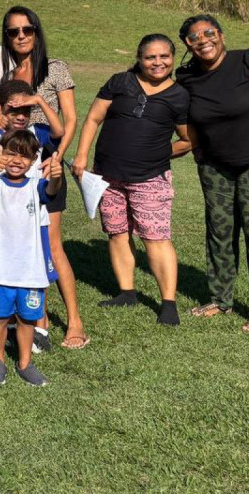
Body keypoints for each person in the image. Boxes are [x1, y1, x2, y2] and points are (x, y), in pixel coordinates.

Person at [175, 15, 249, 333]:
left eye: (209, 33)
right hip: (215, 167)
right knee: (219, 233)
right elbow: (188, 119)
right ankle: (220, 299)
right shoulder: (185, 76)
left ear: (221, 35)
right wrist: (197, 151)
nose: (203, 40)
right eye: (194, 37)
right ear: (187, 44)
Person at [72, 34, 193, 326]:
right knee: (116, 232)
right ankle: (127, 291)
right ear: (139, 58)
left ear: (173, 58)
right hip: (107, 175)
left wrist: (157, 154)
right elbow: (93, 119)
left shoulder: (179, 96)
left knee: (156, 239)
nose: (157, 62)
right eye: (150, 57)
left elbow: (188, 140)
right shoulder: (120, 82)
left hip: (150, 178)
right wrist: (82, 155)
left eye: (164, 56)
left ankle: (168, 303)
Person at [0, 6, 88, 349]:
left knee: (52, 245)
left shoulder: (55, 69)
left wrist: (57, 158)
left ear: (37, 32)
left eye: (27, 29)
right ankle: (40, 318)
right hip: (18, 173)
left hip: (48, 167)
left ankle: (75, 322)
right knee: (25, 243)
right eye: (13, 31)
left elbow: (70, 119)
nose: (21, 36)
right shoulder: (8, 77)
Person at [0, 130, 62, 387]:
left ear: (35, 159)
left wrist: (56, 177)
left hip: (30, 270)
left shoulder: (36, 186)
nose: (16, 160)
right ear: (0, 152)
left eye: (24, 156)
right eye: (10, 153)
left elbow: (52, 190)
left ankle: (25, 363)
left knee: (27, 319)